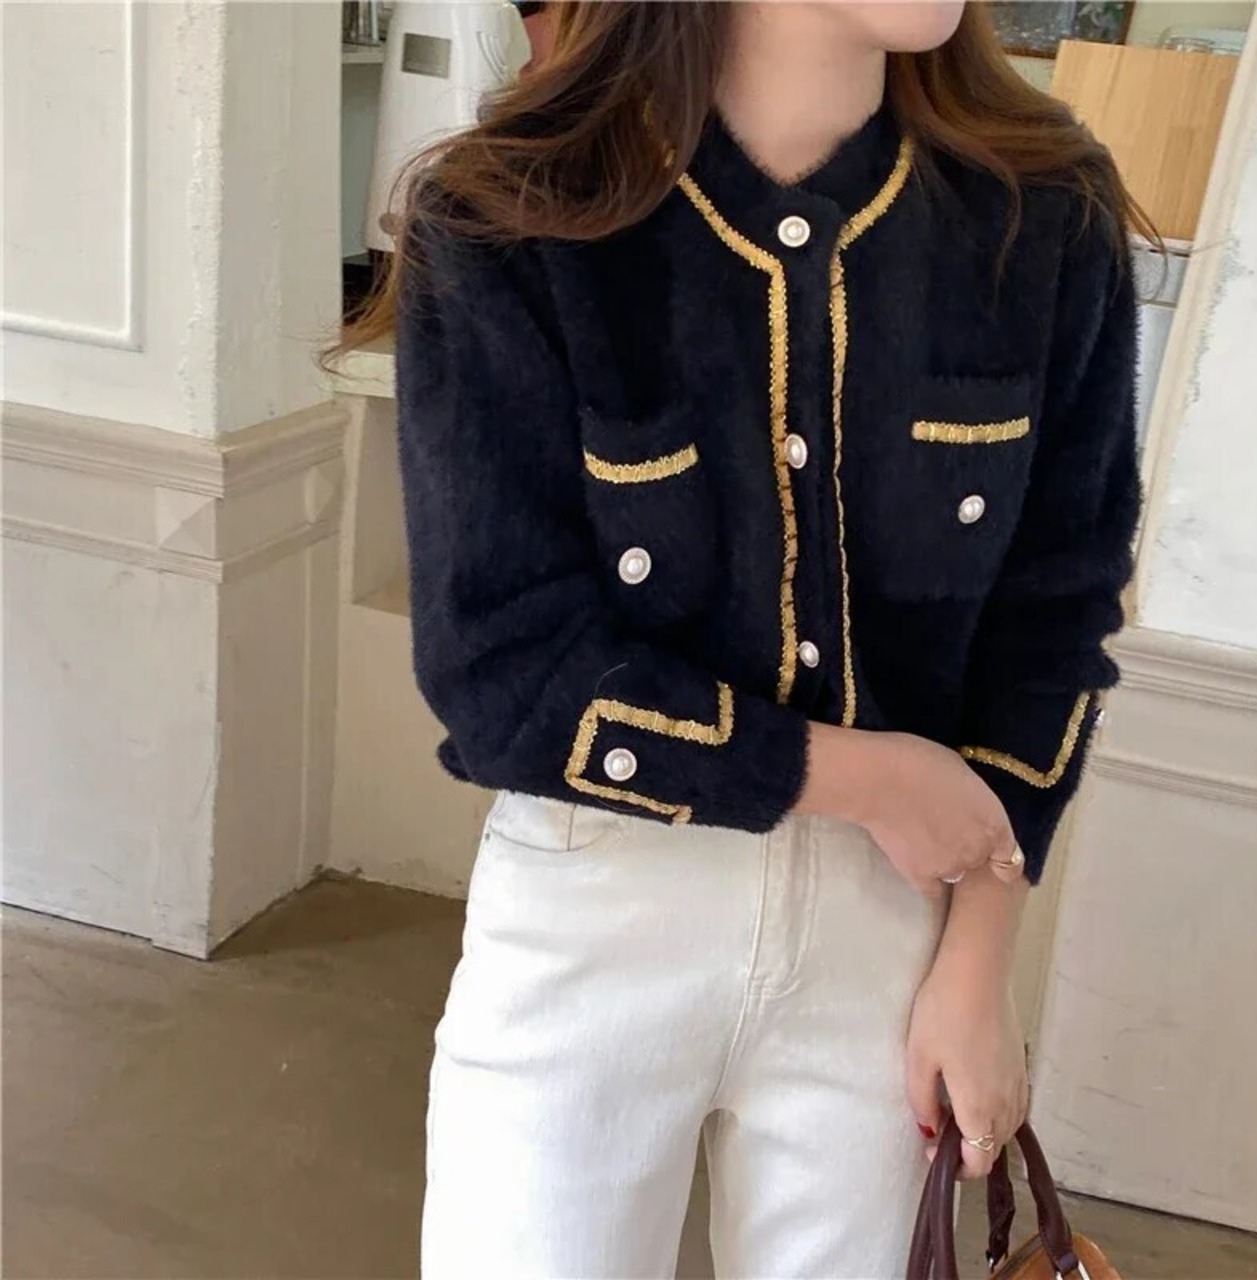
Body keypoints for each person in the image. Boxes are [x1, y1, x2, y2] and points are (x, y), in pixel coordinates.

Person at [342, 2, 1149, 1275]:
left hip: (894, 942)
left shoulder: (1040, 212)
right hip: (592, 915)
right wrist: (867, 775)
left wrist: (978, 958)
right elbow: (499, 669)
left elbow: (1055, 617)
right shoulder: (510, 217)